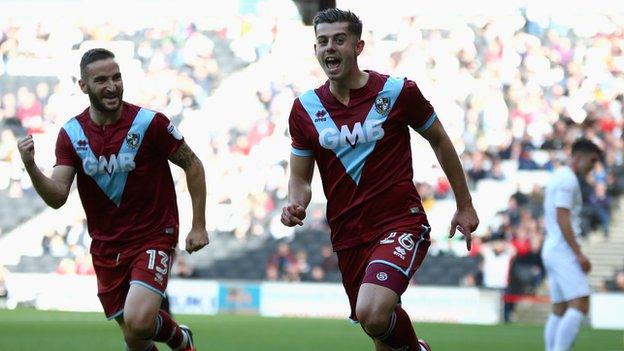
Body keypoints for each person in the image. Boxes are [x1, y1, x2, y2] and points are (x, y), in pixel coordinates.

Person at [281, 9, 479, 351]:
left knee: (372, 312)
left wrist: (464, 204)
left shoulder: (397, 91)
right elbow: (300, 178)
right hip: (348, 236)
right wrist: (295, 201)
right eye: (322, 41)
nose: (330, 48)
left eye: (339, 40)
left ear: (358, 47)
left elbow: (440, 140)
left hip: (400, 223)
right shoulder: (304, 108)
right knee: (382, 337)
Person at [17, 48, 208, 351]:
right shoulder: (72, 134)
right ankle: (178, 339)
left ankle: (181, 339)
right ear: (83, 86)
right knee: (135, 338)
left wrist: (198, 225)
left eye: (116, 78)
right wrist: (31, 167)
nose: (112, 86)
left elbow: (193, 164)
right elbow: (57, 196)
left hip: (153, 235)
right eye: (101, 80)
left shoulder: (149, 123)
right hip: (107, 247)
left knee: (141, 321)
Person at [542, 139, 601, 351]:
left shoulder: (559, 176)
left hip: (553, 247)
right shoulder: (568, 180)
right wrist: (579, 254)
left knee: (560, 308)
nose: (593, 166)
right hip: (562, 250)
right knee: (580, 303)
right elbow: (562, 215)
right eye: (592, 161)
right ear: (578, 157)